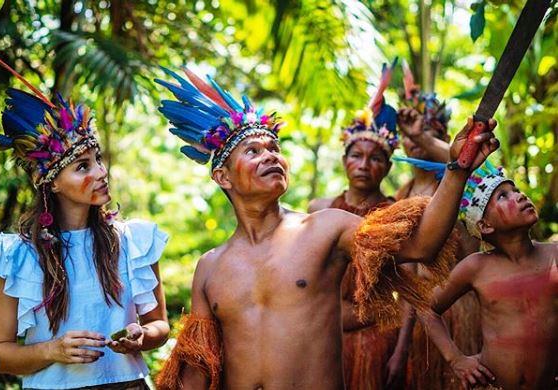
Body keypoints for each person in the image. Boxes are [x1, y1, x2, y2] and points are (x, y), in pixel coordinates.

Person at [153, 66, 498, 389]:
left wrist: (457, 168)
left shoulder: (324, 228)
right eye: (253, 150)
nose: (270, 155)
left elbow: (421, 245)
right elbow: (198, 370)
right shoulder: (210, 267)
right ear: (222, 176)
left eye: (274, 148)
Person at [0, 40, 170, 389]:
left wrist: (143, 335)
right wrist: (52, 350)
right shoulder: (15, 256)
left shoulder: (133, 242)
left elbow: (161, 326)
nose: (100, 172)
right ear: (51, 183)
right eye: (83, 167)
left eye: (97, 159)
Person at [308, 62, 412, 390]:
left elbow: (410, 287)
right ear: (343, 161)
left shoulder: (396, 213)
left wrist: (401, 350)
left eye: (376, 158)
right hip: (330, 335)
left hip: (379, 334)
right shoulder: (320, 209)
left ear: (388, 167)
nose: (365, 165)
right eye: (356, 155)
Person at [418, 162, 557, 390]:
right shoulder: (476, 267)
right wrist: (456, 359)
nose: (520, 196)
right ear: (484, 225)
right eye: (503, 196)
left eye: (516, 190)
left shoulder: (554, 255)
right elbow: (426, 308)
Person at [397, 62, 483, 390]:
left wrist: (423, 135)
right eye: (410, 135)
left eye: (430, 130)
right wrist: (402, 342)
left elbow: (466, 164)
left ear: (444, 137)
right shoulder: (401, 195)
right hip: (420, 314)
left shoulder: (462, 184)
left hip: (459, 307)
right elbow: (406, 276)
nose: (416, 139)